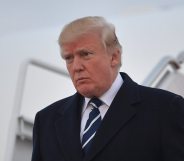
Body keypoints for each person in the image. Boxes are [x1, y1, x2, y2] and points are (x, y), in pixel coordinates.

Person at [31, 16, 184, 161]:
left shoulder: (166, 110)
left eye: (85, 54)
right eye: (69, 58)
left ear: (114, 57)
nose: (76, 67)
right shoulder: (46, 122)